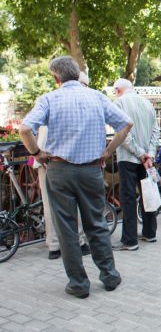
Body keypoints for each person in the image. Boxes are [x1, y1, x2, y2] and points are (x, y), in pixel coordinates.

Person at [19, 56, 132, 299]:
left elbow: (25, 129)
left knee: (67, 229)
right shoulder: (97, 97)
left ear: (55, 77)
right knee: (97, 224)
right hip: (92, 170)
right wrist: (109, 150)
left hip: (59, 171)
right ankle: (109, 275)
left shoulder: (49, 99)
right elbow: (126, 124)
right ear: (77, 73)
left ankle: (79, 284)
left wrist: (37, 153)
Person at [35, 70, 92, 260]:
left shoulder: (51, 99)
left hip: (49, 159)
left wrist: (37, 154)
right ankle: (76, 242)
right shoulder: (79, 102)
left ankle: (55, 246)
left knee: (52, 204)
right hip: (60, 160)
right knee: (73, 203)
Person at [112, 78, 160, 251]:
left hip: (128, 157)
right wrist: (150, 154)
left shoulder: (118, 103)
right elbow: (156, 131)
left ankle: (130, 240)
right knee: (147, 194)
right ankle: (150, 232)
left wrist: (140, 153)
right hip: (146, 159)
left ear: (118, 89)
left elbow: (122, 134)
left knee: (128, 198)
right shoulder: (147, 103)